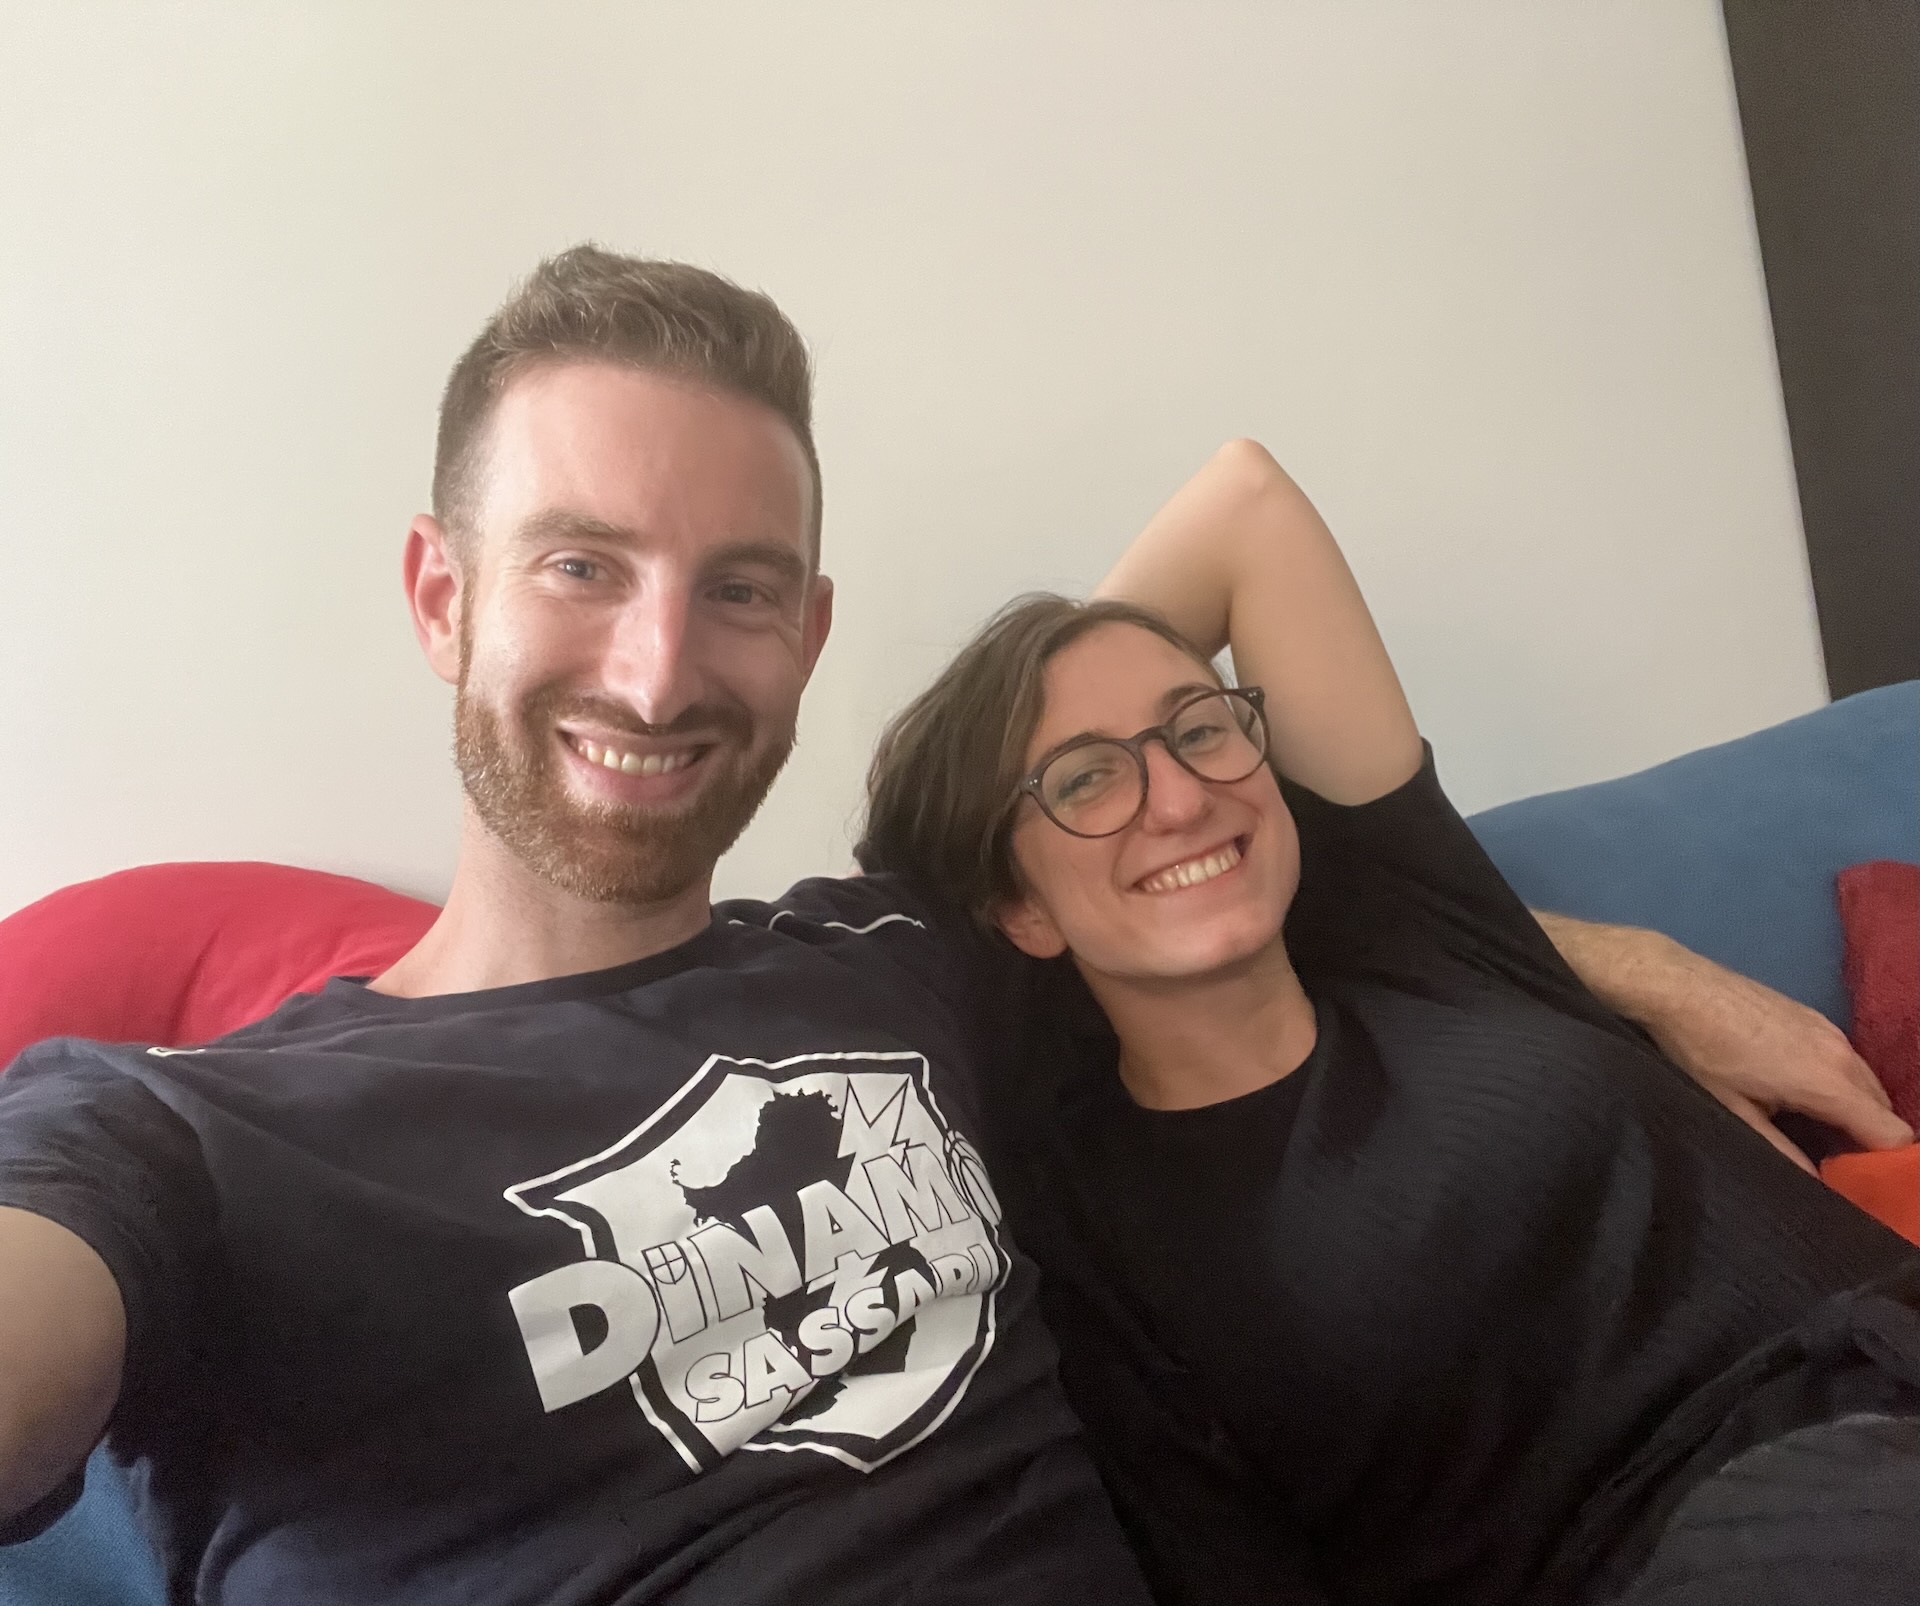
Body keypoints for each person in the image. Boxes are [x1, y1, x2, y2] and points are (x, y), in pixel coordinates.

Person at [0, 248, 1902, 1604]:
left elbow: (1159, 752)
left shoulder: (889, 962)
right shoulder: (191, 1137)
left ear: (810, 636)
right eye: (582, 566)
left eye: (739, 588)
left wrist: (1595, 954)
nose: (660, 668)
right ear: (440, 595)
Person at [856, 439, 1920, 1605]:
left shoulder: (1419, 927)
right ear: (1017, 908)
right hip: (1713, 1544)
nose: (1180, 792)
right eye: (1087, 781)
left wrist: (1072, 689)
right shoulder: (1084, 1212)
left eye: (1199, 727)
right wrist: (994, 742)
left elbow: (1246, 504)